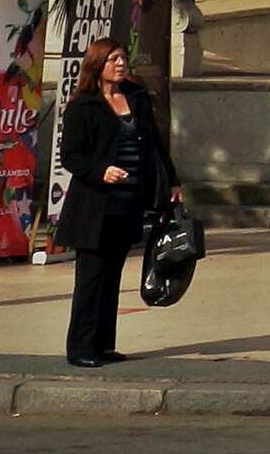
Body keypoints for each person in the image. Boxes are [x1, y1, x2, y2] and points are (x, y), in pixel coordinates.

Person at [54, 37, 179, 368]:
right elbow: (70, 156)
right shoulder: (83, 106)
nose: (121, 64)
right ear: (98, 65)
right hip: (95, 207)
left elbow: (155, 144)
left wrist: (172, 181)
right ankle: (81, 348)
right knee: (91, 278)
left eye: (123, 58)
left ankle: (104, 345)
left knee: (112, 277)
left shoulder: (136, 97)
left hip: (129, 203)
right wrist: (100, 171)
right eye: (114, 59)